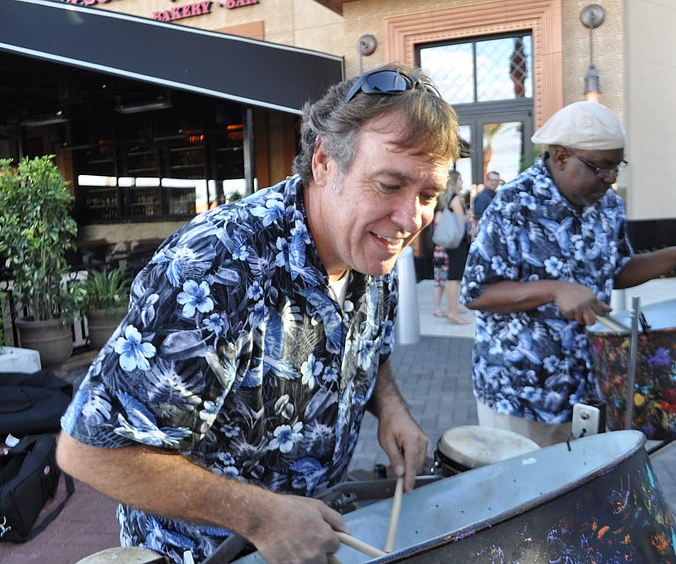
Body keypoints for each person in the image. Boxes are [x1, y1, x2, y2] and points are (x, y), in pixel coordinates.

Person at [56, 64, 461, 564]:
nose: (409, 219)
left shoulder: (369, 249)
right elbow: (89, 451)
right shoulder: (216, 265)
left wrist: (392, 407)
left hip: (309, 538)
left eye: (427, 196)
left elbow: (367, 349)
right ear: (324, 163)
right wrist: (261, 516)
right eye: (389, 184)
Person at [460, 101, 676, 448]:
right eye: (599, 167)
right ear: (560, 157)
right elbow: (477, 293)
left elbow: (615, 270)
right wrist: (554, 289)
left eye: (616, 166)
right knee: (529, 499)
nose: (610, 178)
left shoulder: (608, 204)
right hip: (522, 394)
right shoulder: (513, 204)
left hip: (589, 388)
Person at [443, 169, 471, 325]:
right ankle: (452, 312)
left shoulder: (450, 197)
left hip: (453, 242)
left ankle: (452, 309)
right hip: (457, 242)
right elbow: (461, 219)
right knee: (455, 278)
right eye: (460, 180)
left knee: (452, 277)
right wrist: (470, 214)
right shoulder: (455, 199)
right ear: (454, 181)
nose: (463, 182)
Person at [432, 193, 450, 317]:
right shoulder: (440, 215)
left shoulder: (442, 215)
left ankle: (441, 307)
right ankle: (436, 308)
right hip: (441, 251)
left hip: (444, 250)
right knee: (439, 281)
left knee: (443, 281)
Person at [471, 170, 501, 237]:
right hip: (485, 237)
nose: (494, 183)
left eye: (497, 180)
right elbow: (478, 222)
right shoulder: (482, 197)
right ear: (486, 181)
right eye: (492, 180)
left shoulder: (496, 196)